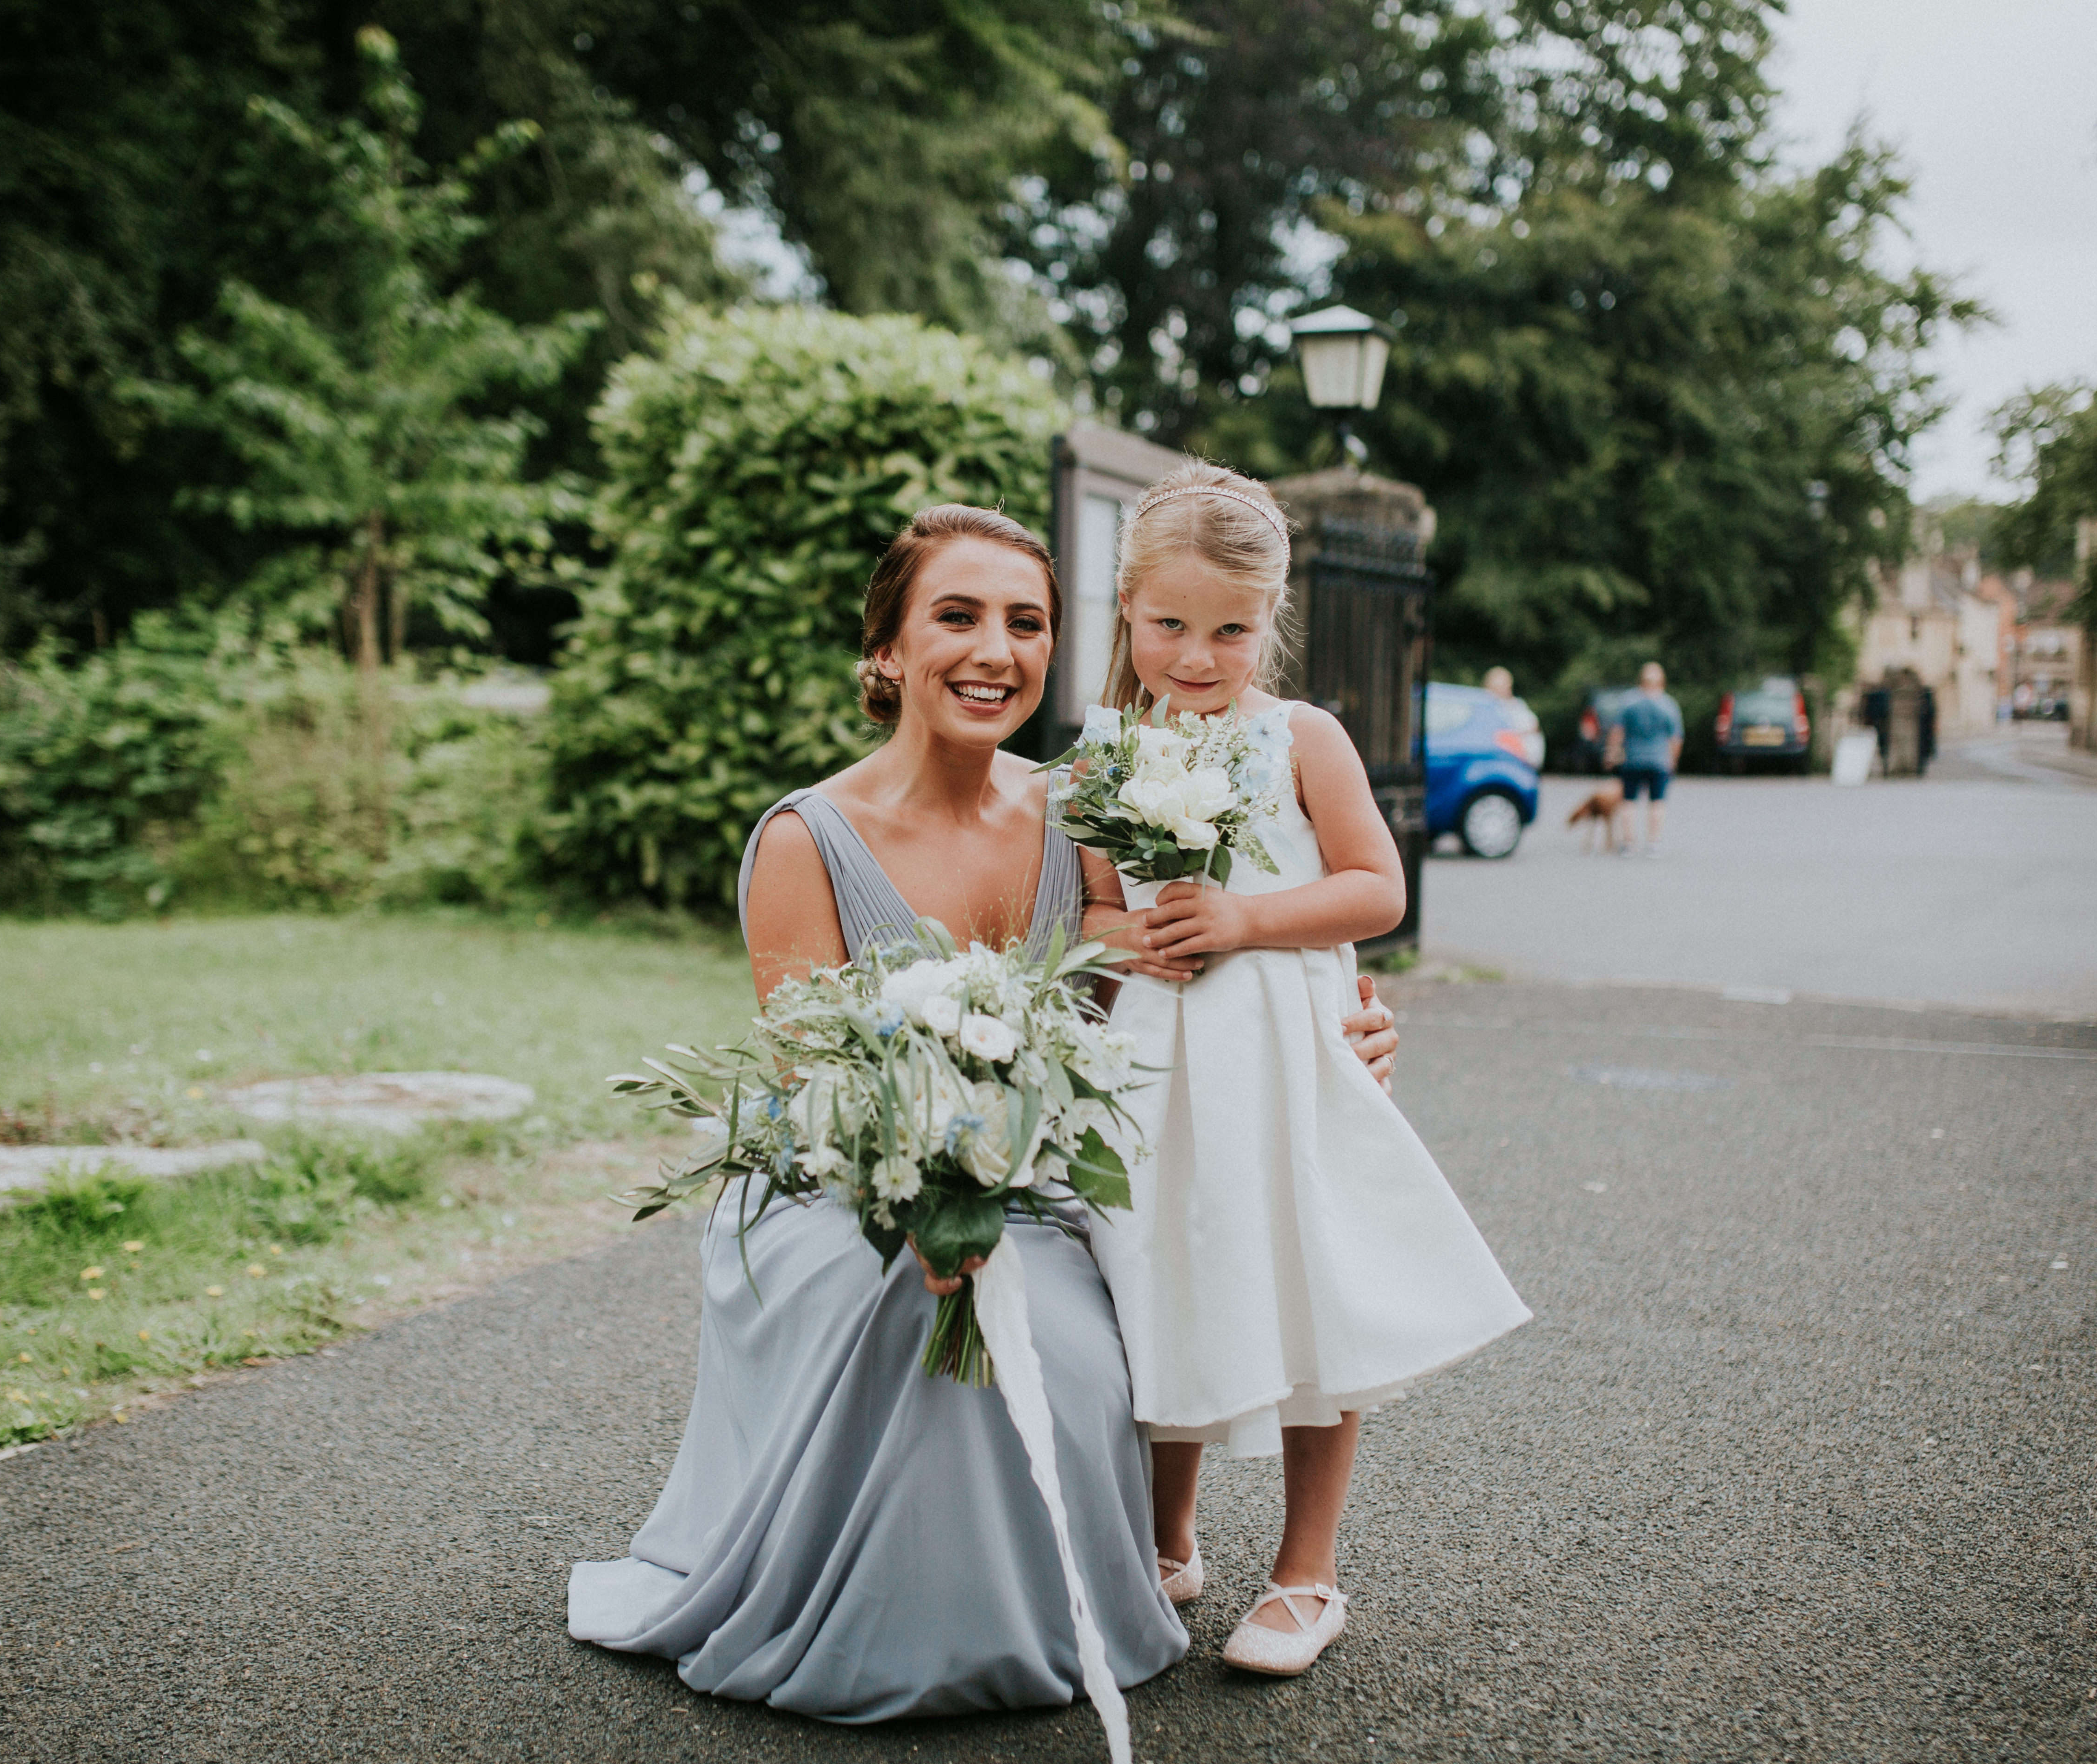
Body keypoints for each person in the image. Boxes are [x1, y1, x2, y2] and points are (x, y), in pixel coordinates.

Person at [565, 505, 1403, 1721]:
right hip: (843, 1182)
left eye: (1025, 622)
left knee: (1065, 1335)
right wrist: (919, 1199)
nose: (994, 648)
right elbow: (817, 1078)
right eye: (955, 616)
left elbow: (1179, 971)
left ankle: (1072, 1596)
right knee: (921, 1298)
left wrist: (1344, 1026)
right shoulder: (805, 839)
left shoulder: (1083, 804)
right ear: (887, 649)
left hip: (1027, 1174)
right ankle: (883, 1616)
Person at [1079, 461, 1532, 1678]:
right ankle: (1166, 1541)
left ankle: (1306, 1571)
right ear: (1126, 608)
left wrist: (1241, 919)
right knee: (1156, 1281)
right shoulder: (1103, 747)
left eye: (1230, 628)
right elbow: (1082, 911)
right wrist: (1136, 933)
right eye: (1169, 623)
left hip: (1282, 1056)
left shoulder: (1299, 737)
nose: (1197, 653)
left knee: (1308, 1287)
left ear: (1269, 617)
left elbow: (1376, 887)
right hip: (1150, 1067)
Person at [1605, 661, 1683, 856]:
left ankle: (1628, 845)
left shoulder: (1629, 701)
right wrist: (1672, 760)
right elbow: (1675, 739)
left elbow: (1617, 731)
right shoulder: (1668, 704)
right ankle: (1653, 844)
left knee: (1628, 801)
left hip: (1633, 759)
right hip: (1659, 761)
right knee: (1657, 802)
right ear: (1662, 681)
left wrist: (1612, 752)